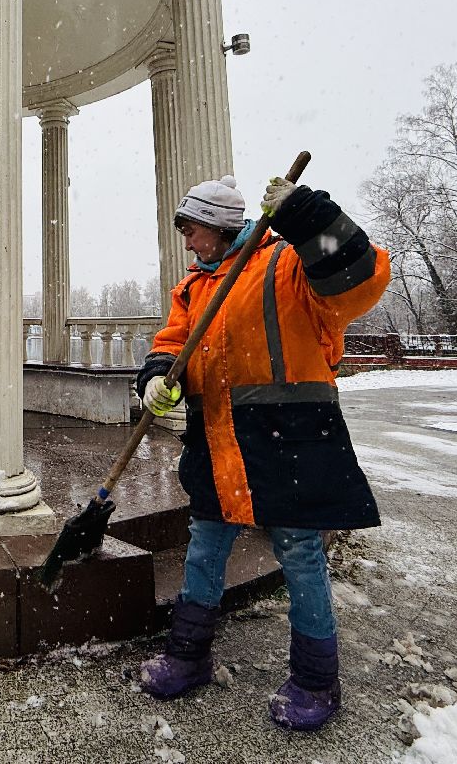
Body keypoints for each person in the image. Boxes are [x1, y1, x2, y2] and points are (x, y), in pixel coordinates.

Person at [133, 173, 389, 731]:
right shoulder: (195, 288)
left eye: (193, 231)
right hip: (216, 441)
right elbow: (173, 342)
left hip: (289, 438)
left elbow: (359, 275)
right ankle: (188, 656)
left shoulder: (287, 265)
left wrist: (305, 214)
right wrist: (155, 375)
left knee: (300, 554)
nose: (188, 243)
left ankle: (316, 682)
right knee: (203, 547)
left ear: (222, 228)